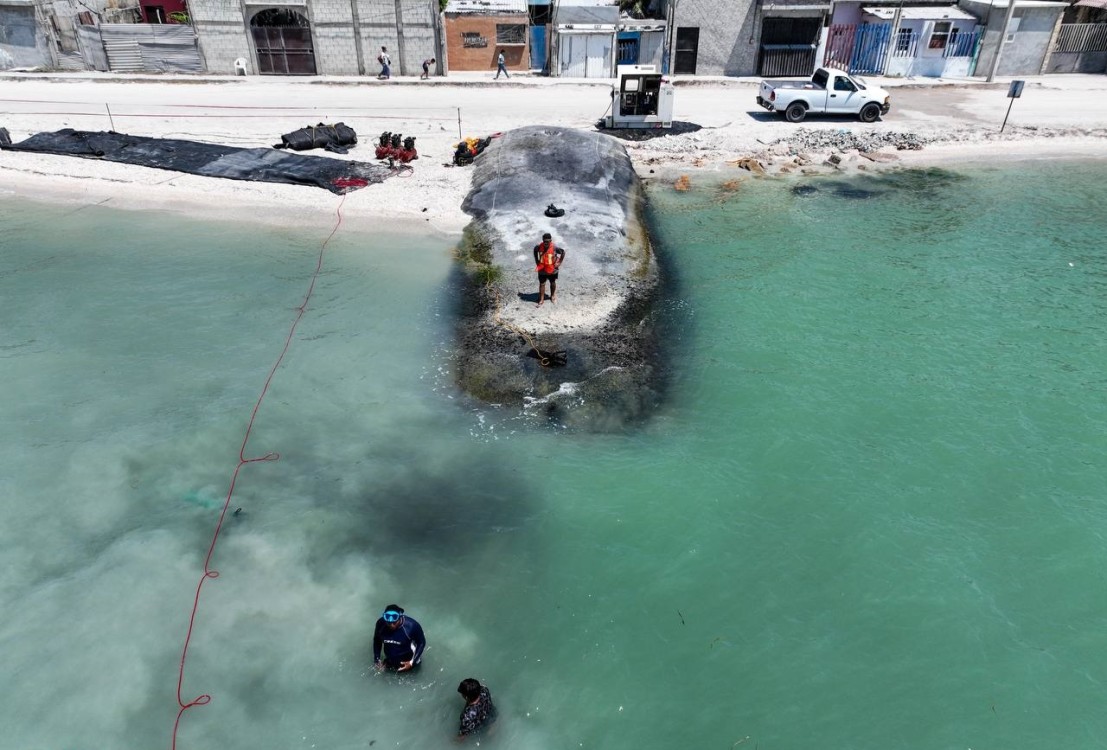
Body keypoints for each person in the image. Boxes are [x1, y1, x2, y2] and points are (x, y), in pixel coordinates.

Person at [372, 604, 425, 672]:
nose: (391, 625)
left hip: (409, 661)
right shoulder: (380, 624)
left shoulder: (412, 626)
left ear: (400, 617)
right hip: (390, 661)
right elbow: (377, 640)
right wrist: (377, 659)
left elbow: (421, 642)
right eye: (388, 622)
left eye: (394, 622)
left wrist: (412, 662)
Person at [533, 232, 565, 307]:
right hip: (542, 269)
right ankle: (541, 299)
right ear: (542, 240)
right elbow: (535, 251)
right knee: (542, 284)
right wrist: (537, 262)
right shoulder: (538, 247)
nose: (546, 243)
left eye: (547, 241)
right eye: (544, 241)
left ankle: (552, 296)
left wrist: (559, 262)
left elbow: (563, 252)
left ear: (550, 241)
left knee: (552, 282)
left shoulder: (554, 247)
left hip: (552, 269)